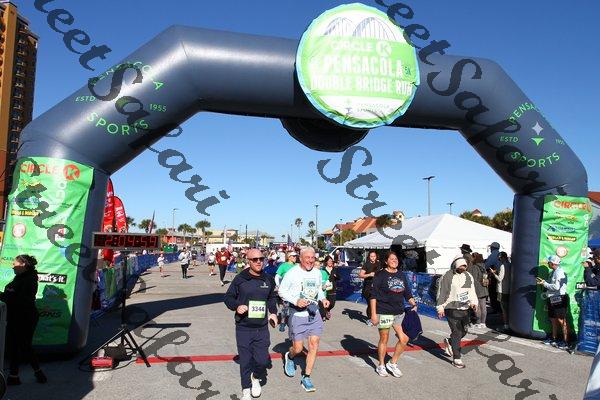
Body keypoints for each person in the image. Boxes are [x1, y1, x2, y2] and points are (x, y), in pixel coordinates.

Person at [224, 248, 277, 400]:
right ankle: (246, 390)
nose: (259, 262)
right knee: (245, 361)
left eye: (261, 259)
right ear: (248, 261)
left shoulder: (268, 279)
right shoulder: (240, 279)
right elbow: (228, 298)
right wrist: (237, 306)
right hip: (244, 327)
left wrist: (273, 312)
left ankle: (256, 377)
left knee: (262, 361)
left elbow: (271, 298)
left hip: (261, 328)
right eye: (255, 259)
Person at [279, 247, 329, 392]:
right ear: (300, 258)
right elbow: (281, 291)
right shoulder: (292, 273)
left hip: (314, 313)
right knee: (298, 348)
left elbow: (318, 290)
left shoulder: (317, 272)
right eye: (307, 257)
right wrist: (295, 301)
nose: (310, 260)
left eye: (312, 258)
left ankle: (306, 376)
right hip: (297, 314)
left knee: (314, 344)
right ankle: (290, 356)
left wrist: (323, 299)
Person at [0, 255, 47, 385]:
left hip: (25, 317)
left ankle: (38, 373)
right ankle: (14, 376)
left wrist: (4, 296)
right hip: (16, 316)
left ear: (23, 265)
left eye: (14, 264)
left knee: (24, 345)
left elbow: (16, 298)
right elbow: (10, 296)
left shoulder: (29, 280)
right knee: (15, 346)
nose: (12, 266)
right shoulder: (20, 278)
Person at [370, 251, 417, 377]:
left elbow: (407, 292)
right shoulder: (380, 275)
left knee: (404, 339)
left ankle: (392, 363)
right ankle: (381, 365)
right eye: (392, 259)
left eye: (396, 259)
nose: (394, 261)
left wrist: (413, 302)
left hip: (399, 312)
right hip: (384, 311)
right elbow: (373, 296)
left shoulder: (401, 274)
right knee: (384, 338)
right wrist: (373, 314)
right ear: (386, 261)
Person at [436, 256, 478, 368]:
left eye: (465, 266)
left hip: (465, 308)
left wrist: (474, 302)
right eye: (461, 266)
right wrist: (440, 307)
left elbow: (472, 291)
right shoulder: (447, 276)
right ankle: (457, 358)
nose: (463, 268)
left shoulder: (468, 276)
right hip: (451, 307)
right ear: (456, 265)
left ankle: (450, 342)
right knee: (457, 332)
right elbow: (441, 292)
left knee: (464, 331)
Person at [536, 255, 570, 349]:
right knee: (553, 319)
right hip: (552, 297)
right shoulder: (553, 272)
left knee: (561, 320)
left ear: (552, 263)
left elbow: (556, 287)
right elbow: (551, 283)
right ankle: (554, 339)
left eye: (549, 262)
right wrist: (544, 281)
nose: (548, 263)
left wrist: (544, 284)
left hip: (559, 298)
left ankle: (566, 341)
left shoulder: (559, 272)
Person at [466, 252, 489, 329]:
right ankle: (483, 323)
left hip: (477, 289)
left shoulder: (475, 267)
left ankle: (478, 322)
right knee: (483, 307)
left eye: (472, 257)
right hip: (484, 288)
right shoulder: (483, 266)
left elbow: (474, 279)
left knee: (477, 306)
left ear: (474, 258)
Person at [490, 251, 511, 331]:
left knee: (504, 309)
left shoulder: (503, 266)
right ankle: (507, 324)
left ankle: (506, 326)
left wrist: (493, 273)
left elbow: (499, 279)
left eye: (499, 258)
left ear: (502, 258)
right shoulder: (510, 264)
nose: (499, 260)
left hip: (502, 290)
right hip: (508, 289)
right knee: (507, 308)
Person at [359, 250, 381, 325]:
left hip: (377, 286)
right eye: (371, 256)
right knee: (370, 303)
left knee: (377, 303)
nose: (373, 258)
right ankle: (369, 318)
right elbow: (361, 275)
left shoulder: (379, 263)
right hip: (368, 287)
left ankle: (374, 317)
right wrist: (369, 275)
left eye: (374, 256)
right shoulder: (366, 264)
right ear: (369, 257)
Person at [319, 256, 340, 321]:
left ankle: (327, 310)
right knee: (324, 302)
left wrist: (336, 276)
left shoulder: (335, 269)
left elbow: (339, 277)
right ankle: (323, 314)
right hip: (325, 288)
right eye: (329, 261)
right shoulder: (323, 270)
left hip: (332, 288)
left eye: (331, 261)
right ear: (326, 262)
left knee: (332, 303)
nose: (330, 262)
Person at [485, 242, 501, 313]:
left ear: (492, 248)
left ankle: (495, 309)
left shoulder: (493, 255)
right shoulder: (499, 254)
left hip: (494, 276)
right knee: (498, 293)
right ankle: (499, 308)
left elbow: (487, 265)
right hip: (500, 275)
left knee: (492, 293)